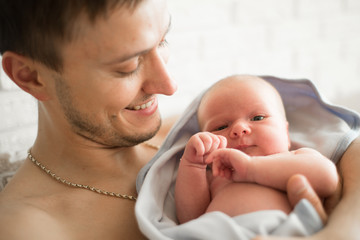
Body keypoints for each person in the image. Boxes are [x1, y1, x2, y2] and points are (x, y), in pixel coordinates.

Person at [0, 1, 359, 240]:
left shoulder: (182, 133)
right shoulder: (31, 226)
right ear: (31, 76)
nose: (170, 86)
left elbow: (345, 143)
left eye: (163, 41)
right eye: (127, 66)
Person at [175, 75, 338, 235]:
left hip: (283, 232)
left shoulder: (295, 157)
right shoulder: (217, 175)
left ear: (286, 134)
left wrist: (251, 169)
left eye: (258, 118)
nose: (239, 129)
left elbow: (328, 179)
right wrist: (193, 165)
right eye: (220, 127)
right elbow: (190, 219)